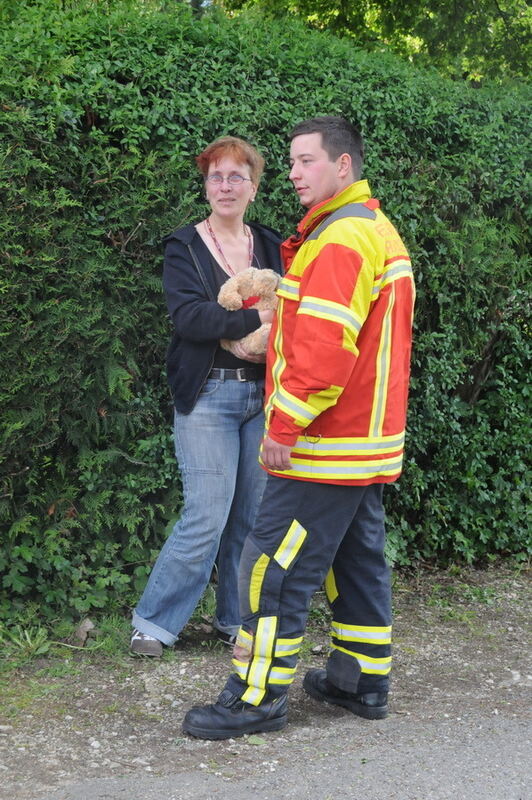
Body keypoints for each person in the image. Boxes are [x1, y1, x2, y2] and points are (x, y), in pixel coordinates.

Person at [182, 116, 415, 738]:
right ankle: (361, 679)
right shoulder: (370, 229)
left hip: (324, 439)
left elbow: (321, 355)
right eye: (290, 162)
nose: (292, 173)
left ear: (343, 167)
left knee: (269, 566)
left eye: (306, 161)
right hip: (362, 441)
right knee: (356, 560)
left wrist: (281, 428)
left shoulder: (340, 239)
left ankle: (256, 697)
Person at [130, 136, 283, 656]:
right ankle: (154, 623)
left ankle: (233, 620)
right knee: (206, 514)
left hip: (264, 396)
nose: (225, 186)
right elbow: (190, 317)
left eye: (236, 176)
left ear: (254, 188)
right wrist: (259, 318)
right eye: (216, 176)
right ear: (205, 185)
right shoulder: (185, 246)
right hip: (210, 395)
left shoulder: (272, 243)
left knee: (251, 518)